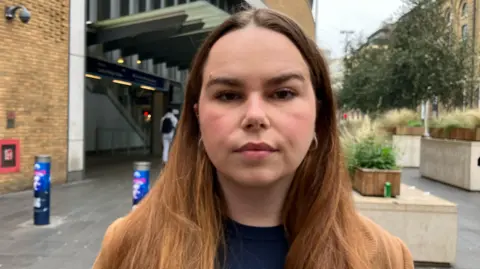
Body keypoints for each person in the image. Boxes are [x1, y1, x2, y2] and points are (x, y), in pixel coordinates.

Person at [92, 8, 414, 269]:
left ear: (320, 116)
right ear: (197, 116)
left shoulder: (385, 258)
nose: (255, 115)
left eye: (283, 93)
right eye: (229, 95)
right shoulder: (128, 246)